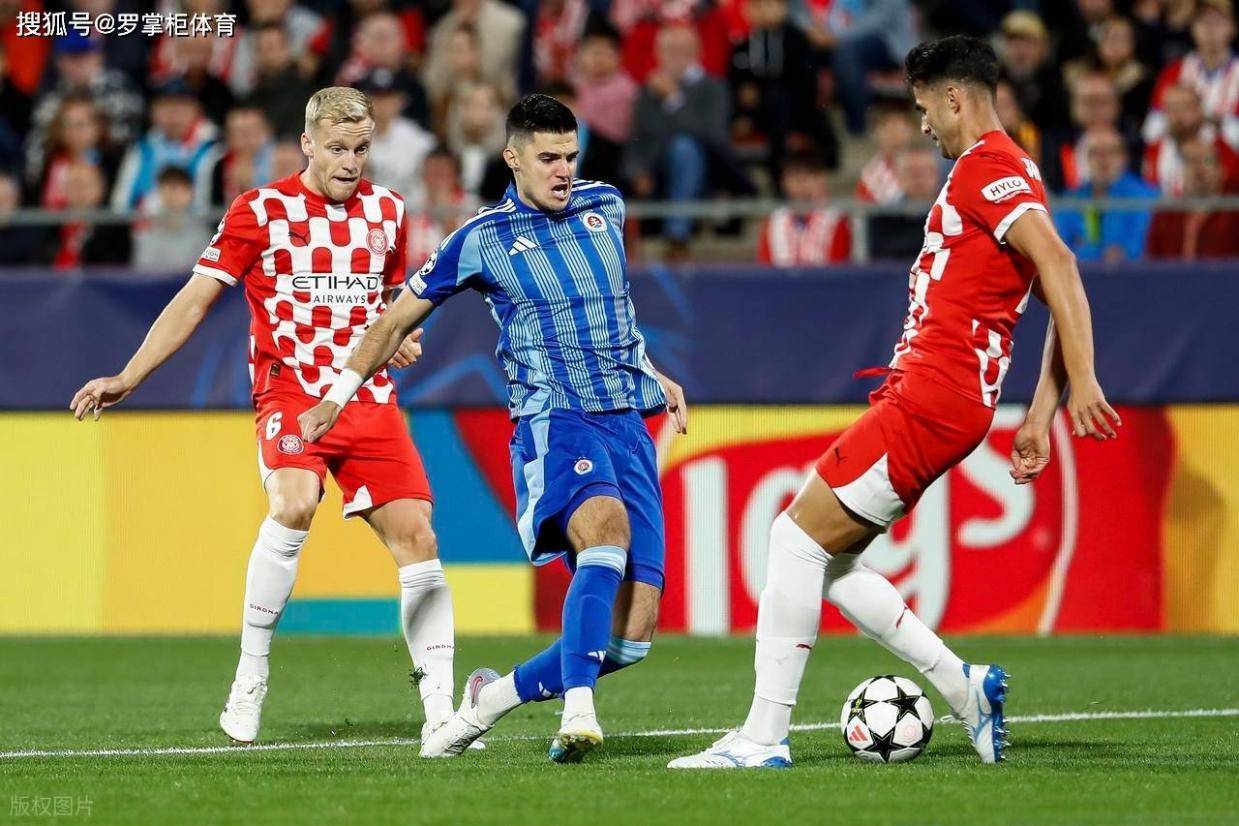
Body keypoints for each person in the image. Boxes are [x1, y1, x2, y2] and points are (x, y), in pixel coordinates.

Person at [671, 35, 1120, 770]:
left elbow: (1063, 267)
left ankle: (763, 738)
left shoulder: (989, 167)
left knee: (793, 541)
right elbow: (1053, 289)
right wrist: (1040, 412)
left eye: (924, 107)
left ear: (954, 98)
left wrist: (1086, 379)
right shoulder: (1013, 173)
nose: (922, 124)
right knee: (827, 561)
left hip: (933, 396)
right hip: (939, 396)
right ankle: (965, 688)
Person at [298, 93, 688, 764]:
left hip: (626, 419)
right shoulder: (481, 239)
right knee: (604, 531)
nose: (563, 171)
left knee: (630, 639)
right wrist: (337, 393)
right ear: (513, 158)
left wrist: (651, 369)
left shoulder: (607, 207)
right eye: (548, 158)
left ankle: (489, 700)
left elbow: (612, 309)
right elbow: (393, 321)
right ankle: (578, 710)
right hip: (554, 418)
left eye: (570, 157)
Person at [69, 87, 459, 748]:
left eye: (361, 149)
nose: (350, 161)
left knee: (418, 537)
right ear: (307, 144)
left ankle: (441, 710)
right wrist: (129, 376)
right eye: (337, 148)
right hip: (291, 394)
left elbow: (389, 304)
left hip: (365, 398)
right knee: (294, 502)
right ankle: (250, 676)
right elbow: (194, 300)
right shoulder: (260, 210)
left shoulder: (389, 211)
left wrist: (399, 337)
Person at [1143, 0, 1239, 150]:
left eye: (1217, 22)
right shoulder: (1173, 72)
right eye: (1203, 22)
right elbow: (1151, 131)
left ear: (1233, 28)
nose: (1210, 29)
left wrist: (1207, 120)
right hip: (1180, 156)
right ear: (1192, 28)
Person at [1055, 125, 1158, 263]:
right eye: (1096, 153)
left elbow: (1140, 249)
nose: (1103, 159)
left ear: (1124, 157)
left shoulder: (1146, 197)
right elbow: (1060, 249)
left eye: (1111, 152)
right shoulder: (1072, 200)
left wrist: (1084, 248)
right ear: (1086, 158)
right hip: (1083, 273)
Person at [1146, 135, 1239, 259]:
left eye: (1207, 161)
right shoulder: (1165, 215)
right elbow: (1151, 262)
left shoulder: (1234, 211)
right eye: (1190, 161)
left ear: (1222, 171)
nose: (1198, 168)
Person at [757, 152, 851, 266]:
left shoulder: (835, 219)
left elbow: (838, 265)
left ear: (820, 179)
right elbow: (765, 264)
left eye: (807, 176)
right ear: (783, 182)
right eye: (793, 176)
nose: (800, 183)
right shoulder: (775, 221)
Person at [132, 166, 217, 273]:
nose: (173, 196)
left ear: (190, 192)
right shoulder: (147, 231)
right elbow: (143, 271)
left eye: (177, 189)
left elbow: (206, 272)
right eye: (167, 189)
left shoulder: (202, 232)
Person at [866, 144, 943, 261]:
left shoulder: (955, 213)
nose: (918, 178)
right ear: (899, 176)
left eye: (923, 171)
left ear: (936, 174)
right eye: (911, 172)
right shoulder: (882, 217)